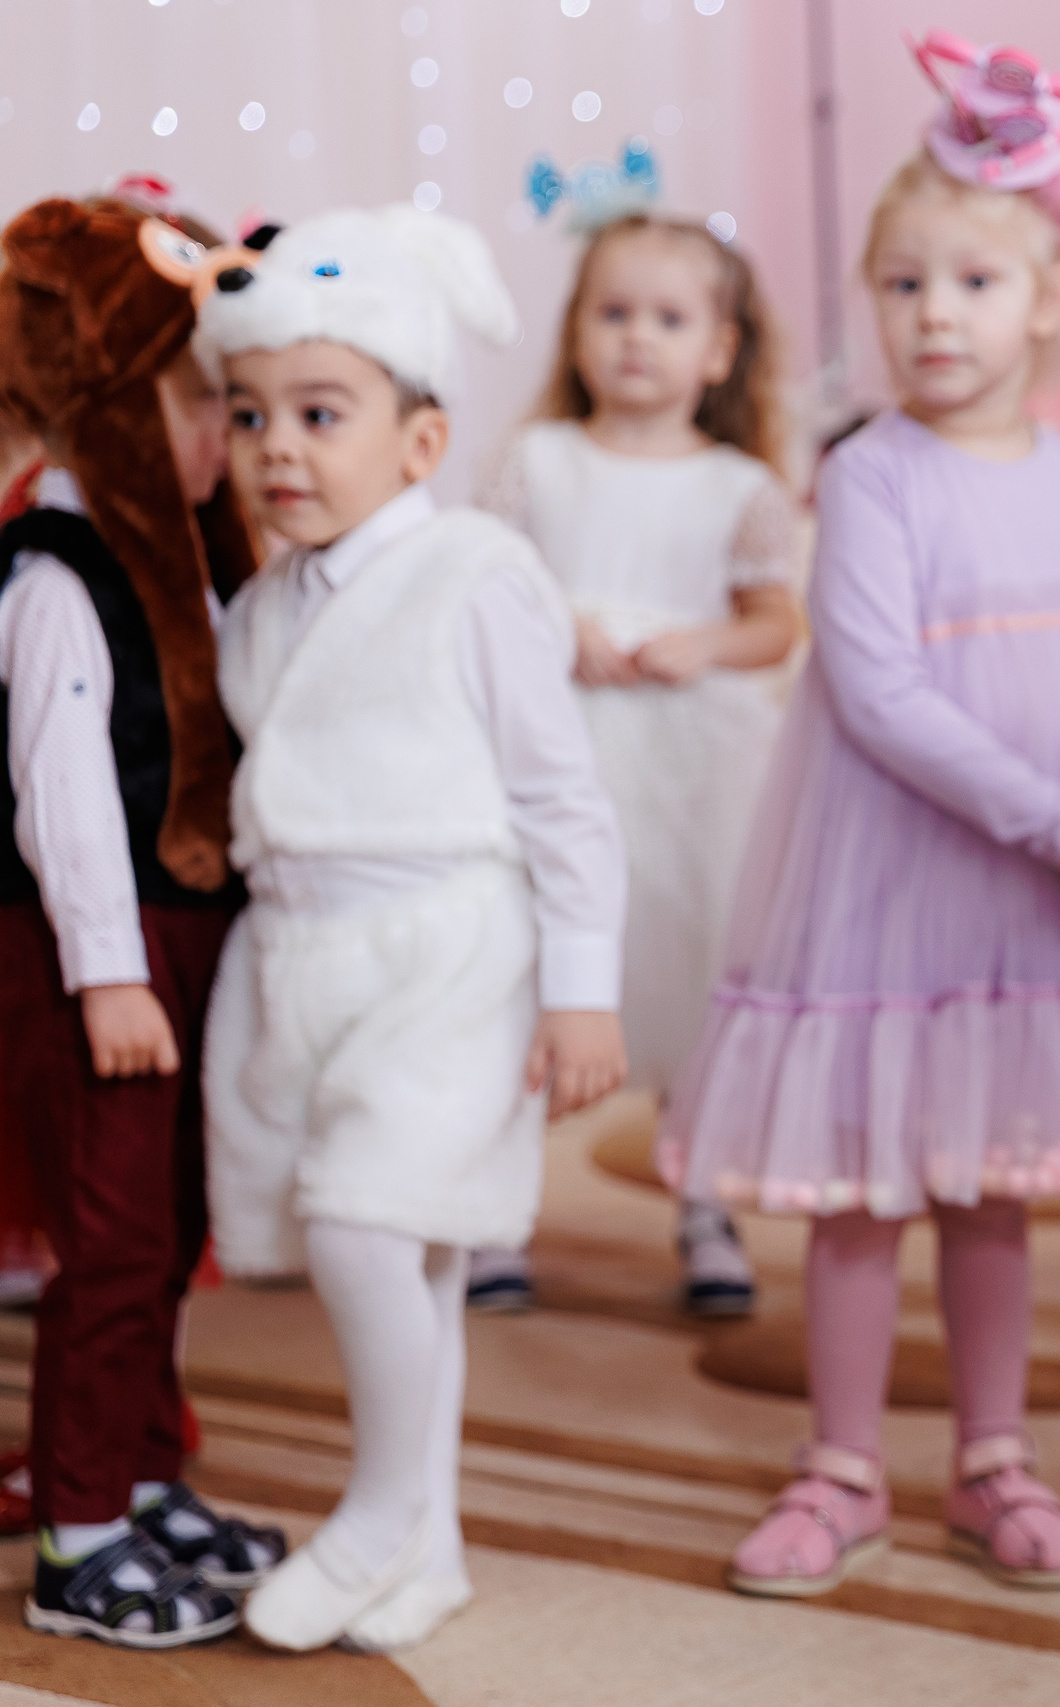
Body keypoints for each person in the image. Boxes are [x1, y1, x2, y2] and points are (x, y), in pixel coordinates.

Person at [664, 32, 1060, 1598]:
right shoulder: (872, 474)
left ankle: (991, 1453)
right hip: (894, 867)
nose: (930, 316)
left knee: (991, 1174)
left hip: (1031, 885)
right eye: (901, 286)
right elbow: (881, 697)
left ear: (1043, 301)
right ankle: (839, 1463)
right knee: (861, 1182)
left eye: (967, 284)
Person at [197, 202, 631, 1652]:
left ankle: (380, 1502)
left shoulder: (477, 577)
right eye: (250, 412)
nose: (279, 447)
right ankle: (428, 1543)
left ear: (423, 442)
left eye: (322, 412)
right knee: (418, 1242)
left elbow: (564, 800)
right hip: (307, 957)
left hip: (450, 946)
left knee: (368, 1222)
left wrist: (581, 989)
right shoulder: (261, 604)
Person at [0, 193, 283, 1648]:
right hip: (95, 954)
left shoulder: (193, 575)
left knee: (168, 1228)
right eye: (198, 401)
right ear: (108, 404)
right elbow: (65, 794)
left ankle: (143, 1464)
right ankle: (79, 1527)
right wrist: (110, 972)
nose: (224, 436)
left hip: (179, 937)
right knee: (108, 1240)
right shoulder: (59, 575)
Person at [476, 212, 800, 1320]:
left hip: (690, 773)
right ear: (574, 334)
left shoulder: (736, 484)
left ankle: (705, 1200)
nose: (636, 340)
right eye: (612, 313)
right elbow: (485, 588)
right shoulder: (538, 462)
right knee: (528, 972)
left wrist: (702, 643)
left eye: (668, 319)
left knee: (691, 970)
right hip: (557, 745)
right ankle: (495, 1212)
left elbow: (774, 624)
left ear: (718, 349)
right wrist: (557, 626)